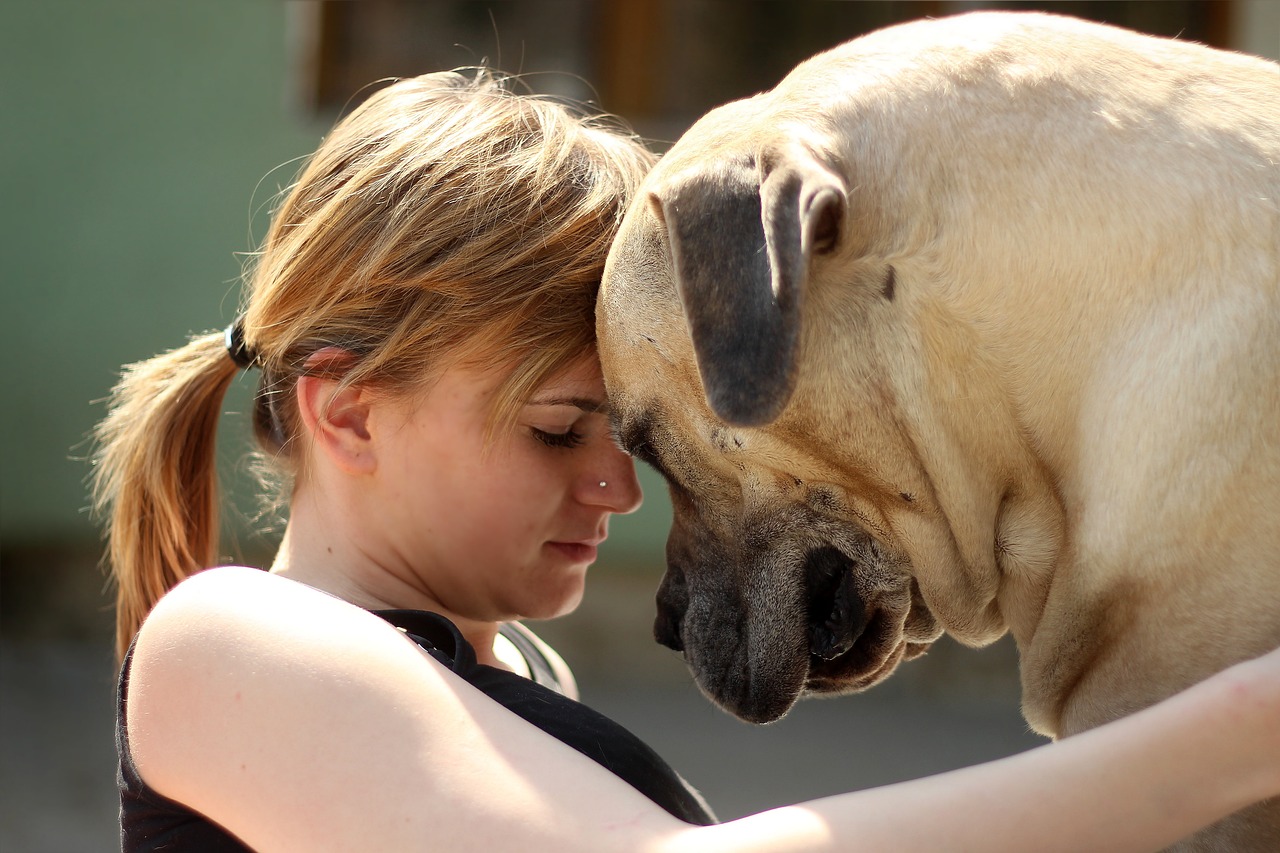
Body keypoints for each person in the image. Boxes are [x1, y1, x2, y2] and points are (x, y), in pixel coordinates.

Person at [90, 69, 1280, 853]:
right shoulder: (231, 643)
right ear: (346, 415)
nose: (617, 491)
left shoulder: (516, 682)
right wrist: (1232, 728)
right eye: (558, 429)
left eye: (628, 438)